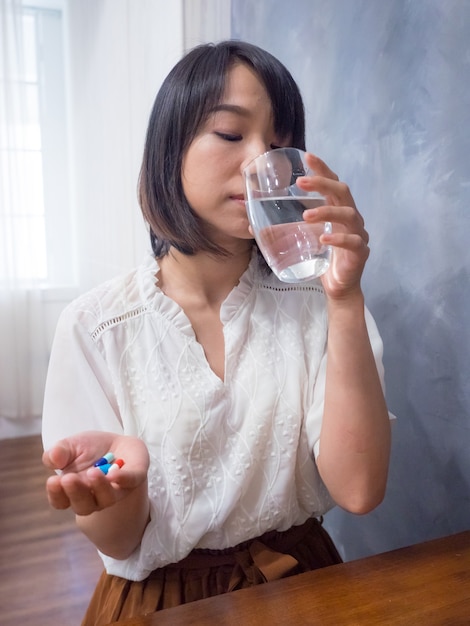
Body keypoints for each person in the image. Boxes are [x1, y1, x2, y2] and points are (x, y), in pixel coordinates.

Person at [42, 40, 392, 625]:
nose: (260, 159)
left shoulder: (319, 301)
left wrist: (346, 299)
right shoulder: (96, 326)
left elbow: (358, 492)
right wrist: (120, 492)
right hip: (161, 603)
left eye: (280, 143)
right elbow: (120, 542)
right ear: (169, 148)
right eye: (230, 134)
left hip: (306, 585)